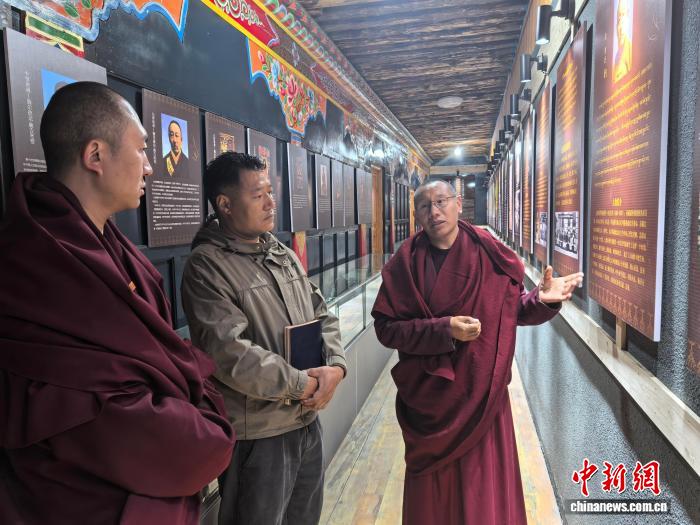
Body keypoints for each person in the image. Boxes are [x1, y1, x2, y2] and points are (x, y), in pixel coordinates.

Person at [0, 82, 235, 525]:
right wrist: (205, 431)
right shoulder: (34, 265)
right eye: (142, 150)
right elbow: (89, 405)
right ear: (95, 155)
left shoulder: (110, 244)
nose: (149, 167)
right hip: (85, 498)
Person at [371, 180, 583, 525]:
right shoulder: (404, 265)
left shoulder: (488, 253)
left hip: (482, 393)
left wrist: (541, 300)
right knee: (433, 500)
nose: (434, 212)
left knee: (482, 487)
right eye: (424, 206)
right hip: (430, 402)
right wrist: (443, 330)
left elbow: (511, 310)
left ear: (458, 205)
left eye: (441, 202)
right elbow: (386, 329)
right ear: (416, 215)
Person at [181, 151, 346, 525]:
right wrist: (302, 384)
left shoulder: (280, 252)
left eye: (270, 192)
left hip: (306, 418)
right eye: (258, 195)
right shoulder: (207, 265)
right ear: (225, 204)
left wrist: (336, 366)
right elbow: (229, 353)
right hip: (259, 432)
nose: (271, 203)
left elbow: (321, 312)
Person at [613, 0, 632, 83]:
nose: (620, 25)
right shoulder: (616, 57)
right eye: (618, 18)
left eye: (623, 15)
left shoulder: (631, 51)